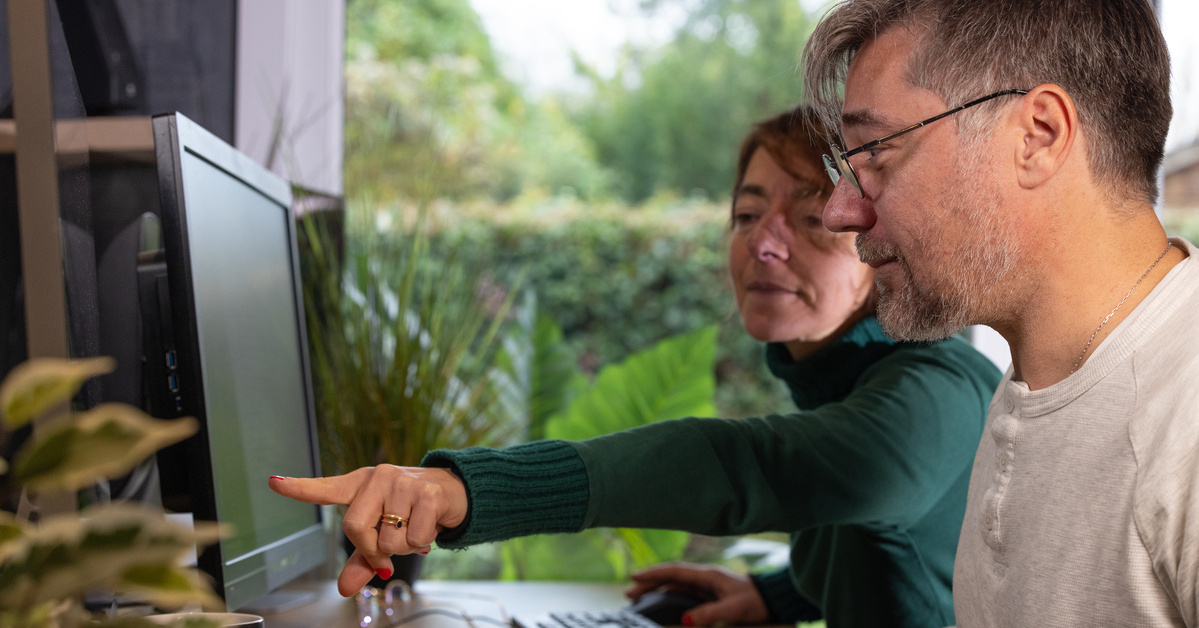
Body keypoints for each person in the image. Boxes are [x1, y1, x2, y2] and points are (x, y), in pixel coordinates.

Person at [269, 106, 1002, 627]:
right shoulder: (853, 383)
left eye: (808, 219)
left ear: (869, 243)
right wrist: (776, 598)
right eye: (747, 215)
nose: (763, 244)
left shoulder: (937, 388)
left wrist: (466, 488)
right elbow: (895, 544)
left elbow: (769, 470)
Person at [801, 0, 1199, 625]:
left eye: (873, 153)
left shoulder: (1187, 423)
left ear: (1037, 135)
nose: (840, 211)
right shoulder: (1035, 385)